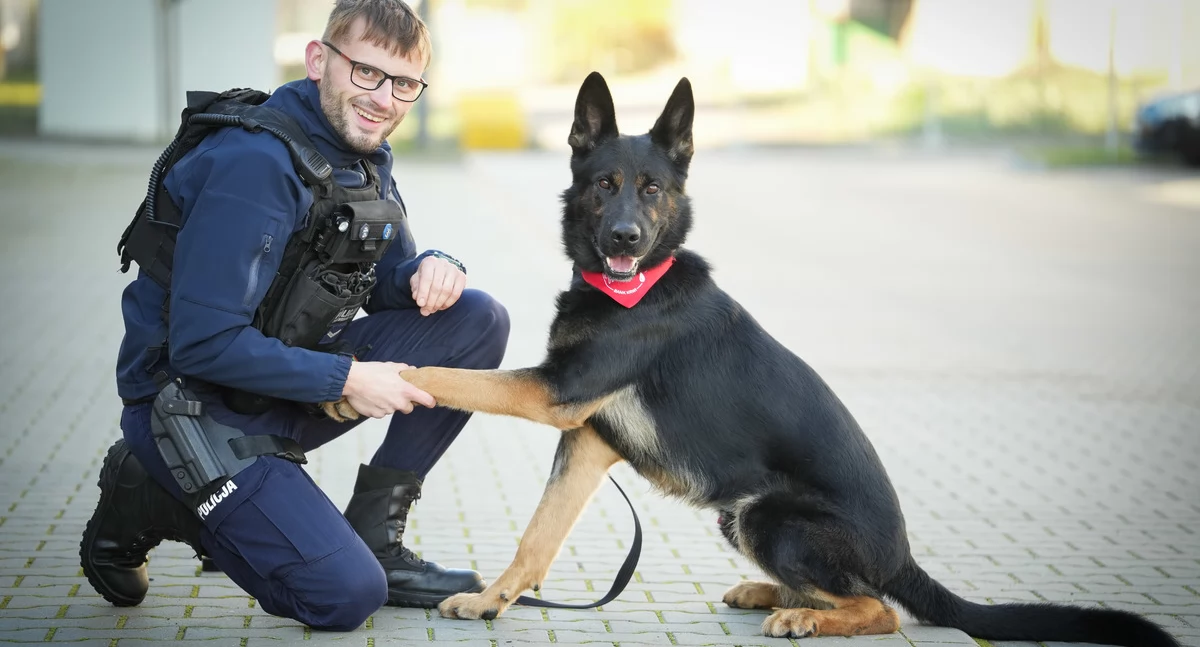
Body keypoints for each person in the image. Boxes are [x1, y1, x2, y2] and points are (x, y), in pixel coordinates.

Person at [80, 0, 509, 631]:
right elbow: (201, 345)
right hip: (192, 407)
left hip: (279, 385)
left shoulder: (358, 153)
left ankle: (376, 536)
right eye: (367, 72)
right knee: (343, 597)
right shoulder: (255, 165)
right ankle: (155, 491)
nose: (385, 99)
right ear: (318, 60)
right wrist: (348, 380)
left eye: (404, 84)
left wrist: (432, 268)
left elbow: (388, 284)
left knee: (476, 320)